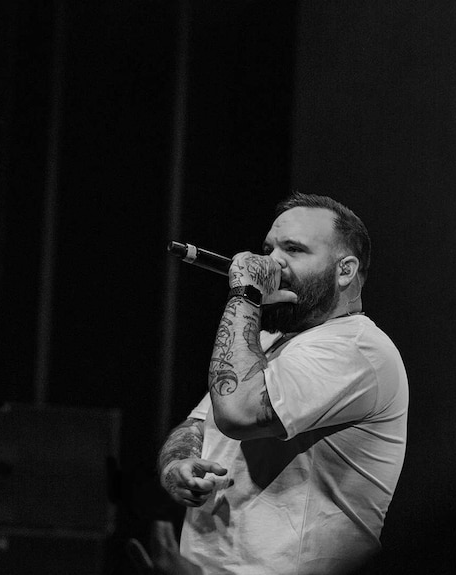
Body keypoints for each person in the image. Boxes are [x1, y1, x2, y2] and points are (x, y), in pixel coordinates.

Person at [156, 192, 409, 575]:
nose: (270, 262)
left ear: (345, 270)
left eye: (293, 249)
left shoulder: (356, 348)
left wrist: (246, 292)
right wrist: (178, 462)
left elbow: (238, 412)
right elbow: (200, 422)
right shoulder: (269, 343)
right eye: (268, 248)